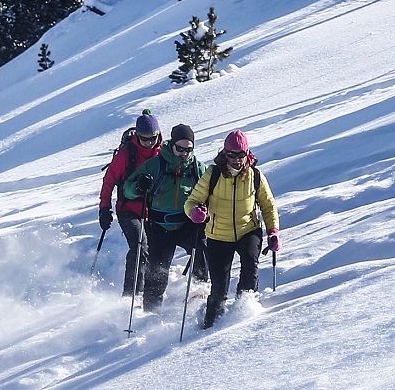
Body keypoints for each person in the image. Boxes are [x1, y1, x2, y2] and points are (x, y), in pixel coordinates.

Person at [184, 129, 279, 328]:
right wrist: (195, 213)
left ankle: (244, 315)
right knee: (219, 287)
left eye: (241, 155)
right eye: (231, 155)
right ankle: (209, 325)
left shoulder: (255, 176)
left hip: (248, 230)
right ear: (224, 154)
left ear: (247, 153)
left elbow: (268, 205)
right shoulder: (213, 174)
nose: (236, 160)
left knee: (250, 267)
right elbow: (192, 201)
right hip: (218, 235)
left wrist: (272, 232)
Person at [120, 123, 208, 311]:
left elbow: (211, 193)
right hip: (160, 226)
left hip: (187, 224)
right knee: (157, 272)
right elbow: (127, 189)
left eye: (189, 149)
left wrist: (205, 211)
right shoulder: (156, 164)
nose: (184, 153)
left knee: (203, 248)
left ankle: (200, 294)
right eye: (180, 148)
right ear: (172, 144)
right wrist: (139, 186)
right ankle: (151, 310)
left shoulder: (197, 168)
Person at [99, 111, 163, 295]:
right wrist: (104, 208)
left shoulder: (163, 152)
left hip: (153, 210)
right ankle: (131, 294)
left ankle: (150, 292)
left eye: (153, 138)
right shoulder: (128, 153)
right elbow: (109, 180)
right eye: (144, 139)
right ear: (137, 136)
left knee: (154, 250)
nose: (149, 142)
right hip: (128, 209)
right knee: (139, 246)